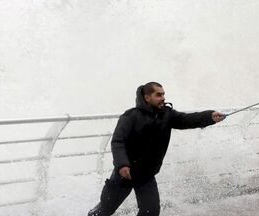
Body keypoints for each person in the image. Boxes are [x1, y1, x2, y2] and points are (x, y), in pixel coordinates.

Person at [88, 82, 225, 216]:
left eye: (163, 94)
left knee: (151, 212)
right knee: (104, 210)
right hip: (125, 173)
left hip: (146, 175)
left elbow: (188, 119)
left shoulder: (167, 114)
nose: (163, 98)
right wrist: (122, 164)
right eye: (158, 95)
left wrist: (209, 116)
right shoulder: (131, 116)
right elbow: (118, 142)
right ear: (147, 97)